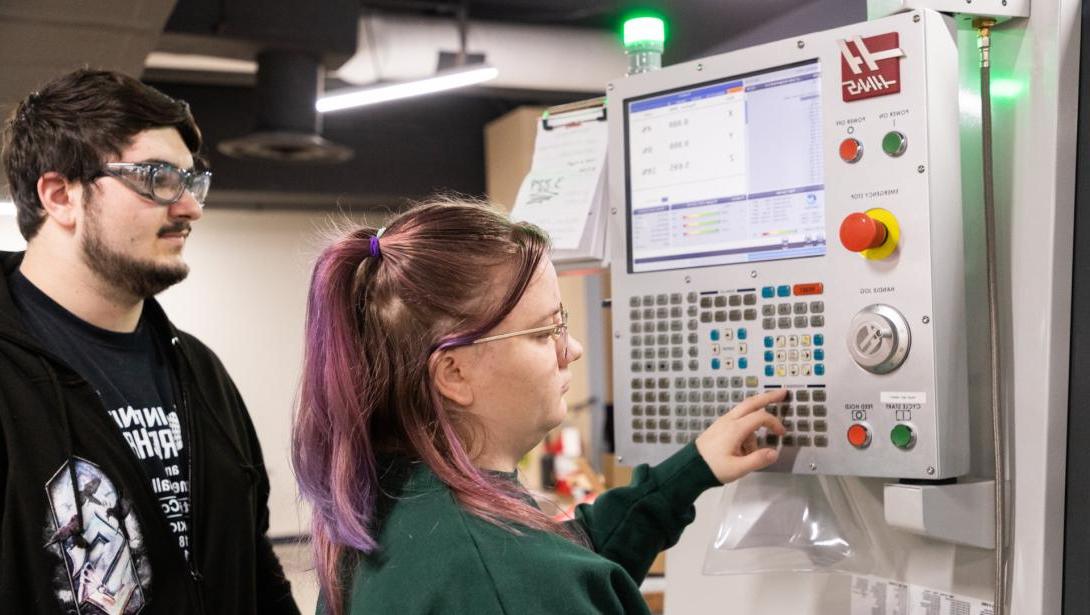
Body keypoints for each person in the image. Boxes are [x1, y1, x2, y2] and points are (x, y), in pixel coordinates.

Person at [292, 198, 787, 615]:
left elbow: (566, 562)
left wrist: (689, 473)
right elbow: (533, 579)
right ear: (455, 374)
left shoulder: (383, 506)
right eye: (543, 331)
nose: (570, 348)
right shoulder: (502, 573)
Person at [0, 69, 300, 614]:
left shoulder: (201, 372)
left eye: (192, 182)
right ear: (60, 194)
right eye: (158, 178)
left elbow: (254, 564)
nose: (190, 208)